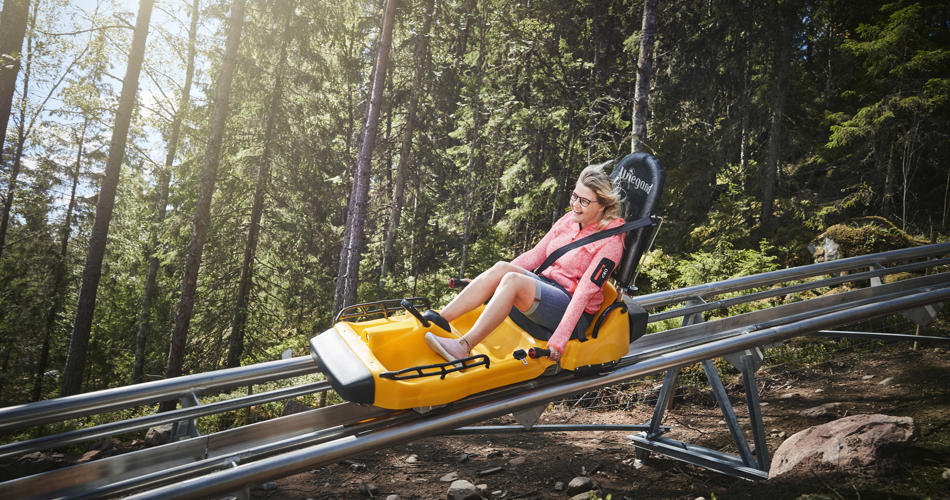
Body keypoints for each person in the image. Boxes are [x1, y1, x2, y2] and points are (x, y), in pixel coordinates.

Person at [424, 164, 624, 363]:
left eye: (584, 201)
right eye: (574, 196)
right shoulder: (569, 220)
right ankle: (440, 319)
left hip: (571, 308)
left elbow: (583, 294)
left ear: (602, 205)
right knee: (503, 268)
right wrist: (490, 282)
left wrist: (559, 340)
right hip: (547, 287)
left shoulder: (610, 243)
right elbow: (536, 255)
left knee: (513, 280)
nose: (575, 205)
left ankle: (463, 347)